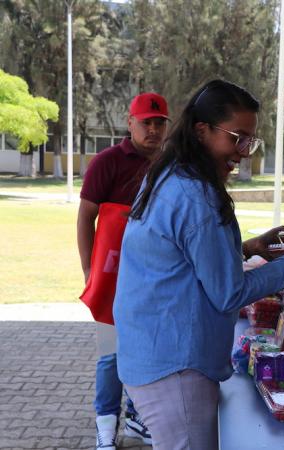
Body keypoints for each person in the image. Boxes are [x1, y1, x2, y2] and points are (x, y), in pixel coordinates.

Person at [113, 79, 284, 450]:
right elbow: (229, 292)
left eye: (250, 140)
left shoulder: (171, 174)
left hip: (154, 354)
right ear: (202, 131)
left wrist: (249, 248)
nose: (244, 152)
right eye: (237, 138)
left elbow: (183, 257)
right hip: (174, 368)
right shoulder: (195, 194)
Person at [77, 92, 170, 449]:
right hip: (112, 276)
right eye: (145, 122)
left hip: (154, 277)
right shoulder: (107, 162)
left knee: (147, 351)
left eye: (159, 122)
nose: (152, 129)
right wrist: (89, 269)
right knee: (111, 352)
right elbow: (87, 215)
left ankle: (136, 418)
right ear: (129, 123)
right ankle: (105, 429)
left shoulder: (170, 165)